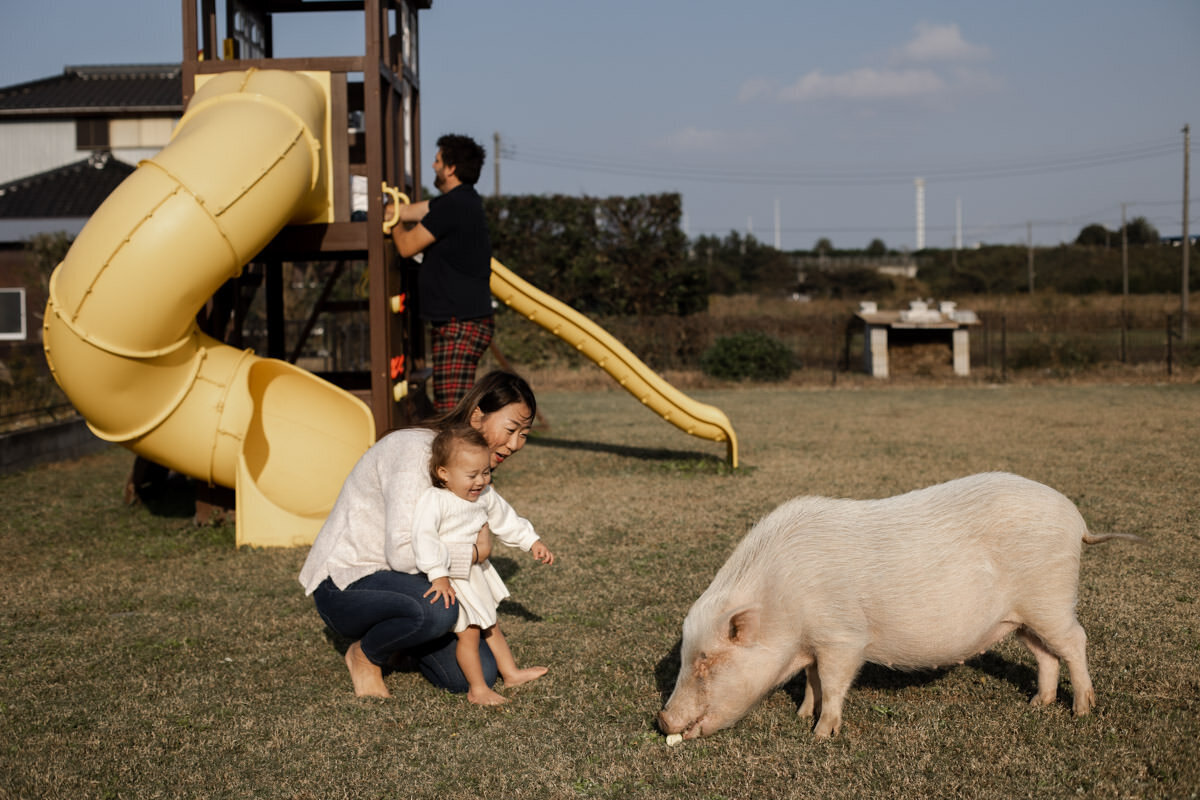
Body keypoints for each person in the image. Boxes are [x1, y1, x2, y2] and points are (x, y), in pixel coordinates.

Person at [298, 370, 537, 698]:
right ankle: (365, 655)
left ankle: (402, 639)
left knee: (474, 675)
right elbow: (402, 553)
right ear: (478, 413)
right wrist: (475, 553)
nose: (515, 444)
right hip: (347, 584)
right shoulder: (416, 452)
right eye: (511, 429)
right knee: (438, 611)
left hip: (412, 583)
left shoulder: (467, 467)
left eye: (524, 434)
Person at [412, 426, 555, 705]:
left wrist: (531, 541)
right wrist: (438, 576)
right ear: (444, 473)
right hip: (454, 580)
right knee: (470, 634)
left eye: (485, 472)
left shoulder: (485, 494)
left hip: (476, 575)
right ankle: (477, 689)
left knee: (492, 625)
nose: (480, 481)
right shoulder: (436, 500)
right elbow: (424, 538)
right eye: (472, 475)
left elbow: (506, 519)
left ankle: (511, 673)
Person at [389, 133, 494, 413]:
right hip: (462, 321)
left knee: (451, 412)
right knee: (457, 407)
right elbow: (411, 211)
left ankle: (460, 456)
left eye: (437, 161)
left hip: (458, 324)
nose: (433, 166)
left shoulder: (453, 205)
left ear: (450, 168)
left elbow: (406, 246)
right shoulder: (461, 201)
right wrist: (389, 208)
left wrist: (390, 222)